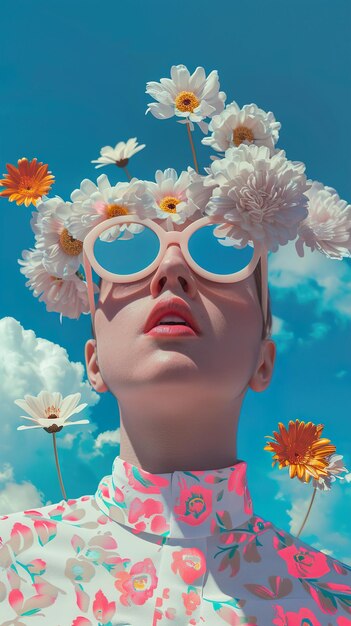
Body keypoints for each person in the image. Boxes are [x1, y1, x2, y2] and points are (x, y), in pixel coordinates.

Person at [1, 64, 351, 625]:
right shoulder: (8, 563)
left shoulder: (335, 598)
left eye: (221, 254)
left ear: (264, 360)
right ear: (93, 362)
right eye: (127, 254)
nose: (170, 268)